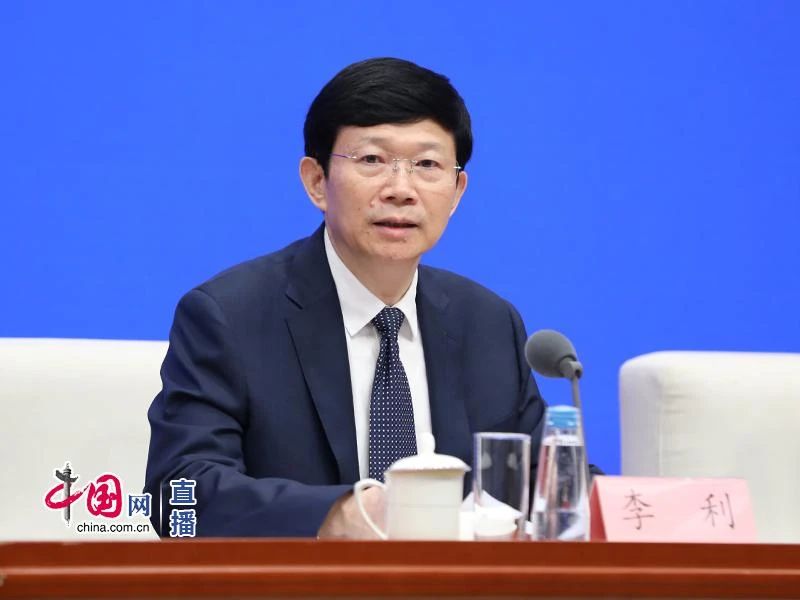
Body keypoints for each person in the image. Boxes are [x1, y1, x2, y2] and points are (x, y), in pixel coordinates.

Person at [144, 57, 547, 538]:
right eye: (372, 160)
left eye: (427, 165)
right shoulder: (230, 316)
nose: (401, 190)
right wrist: (341, 515)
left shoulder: (488, 323)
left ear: (457, 190)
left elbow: (545, 488)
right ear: (317, 181)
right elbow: (178, 493)